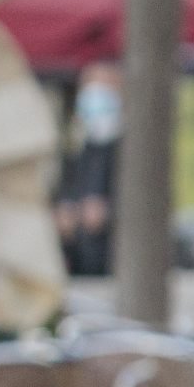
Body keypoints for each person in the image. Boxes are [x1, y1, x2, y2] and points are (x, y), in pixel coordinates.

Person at [54, 61, 122, 277]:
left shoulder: (133, 150)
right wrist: (65, 211)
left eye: (103, 85)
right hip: (78, 265)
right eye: (89, 86)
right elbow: (64, 189)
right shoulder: (77, 147)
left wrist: (109, 213)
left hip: (115, 266)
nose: (94, 94)